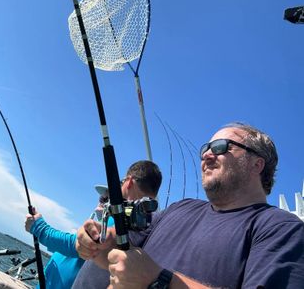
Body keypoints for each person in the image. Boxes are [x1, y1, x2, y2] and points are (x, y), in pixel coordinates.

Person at [76, 122, 304, 289]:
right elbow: (118, 249)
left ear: (257, 164)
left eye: (221, 147)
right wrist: (96, 243)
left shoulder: (282, 229)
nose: (206, 155)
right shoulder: (180, 208)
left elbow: (144, 274)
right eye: (206, 148)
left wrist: (160, 281)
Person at [72, 159, 163, 289]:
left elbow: (86, 244)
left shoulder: (118, 215)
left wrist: (39, 227)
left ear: (129, 181)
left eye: (121, 182)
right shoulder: (158, 227)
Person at [25, 185, 112, 289]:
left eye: (106, 200)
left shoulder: (114, 227)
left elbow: (73, 244)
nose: (100, 204)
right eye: (101, 199)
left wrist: (39, 227)